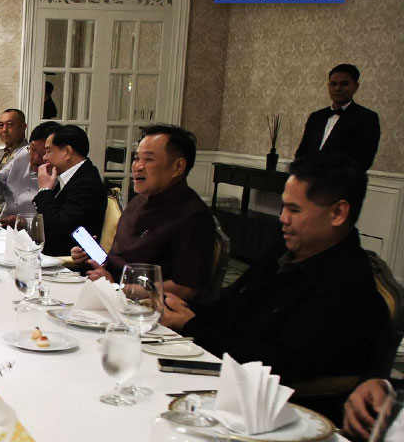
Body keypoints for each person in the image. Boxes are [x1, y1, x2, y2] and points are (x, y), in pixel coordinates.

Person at [161, 153, 389, 383]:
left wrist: (192, 326)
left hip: (271, 395)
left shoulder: (346, 282)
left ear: (338, 213)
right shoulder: (284, 249)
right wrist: (180, 307)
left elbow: (282, 364)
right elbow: (229, 305)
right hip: (227, 370)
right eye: (283, 207)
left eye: (294, 210)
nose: (282, 218)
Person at [70, 125, 215, 300]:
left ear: (178, 167)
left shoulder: (194, 216)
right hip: (109, 294)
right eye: (136, 158)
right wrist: (91, 257)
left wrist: (119, 288)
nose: (137, 166)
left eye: (149, 159)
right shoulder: (139, 200)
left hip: (145, 308)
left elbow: (185, 288)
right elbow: (121, 261)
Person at [32, 124, 105, 256]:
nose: (44, 158)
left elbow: (57, 230)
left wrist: (44, 190)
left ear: (67, 152)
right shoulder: (71, 176)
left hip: (70, 261)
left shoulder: (86, 183)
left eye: (48, 151)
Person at [294, 64, 380, 171]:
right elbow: (301, 153)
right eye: (333, 84)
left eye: (344, 84)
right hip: (309, 179)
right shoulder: (316, 117)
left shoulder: (366, 118)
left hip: (343, 181)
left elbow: (362, 161)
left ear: (355, 87)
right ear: (328, 86)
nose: (337, 88)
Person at [0, 121, 57, 227]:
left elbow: (54, 220)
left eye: (43, 153)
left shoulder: (59, 174)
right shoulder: (23, 154)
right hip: (3, 223)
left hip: (34, 231)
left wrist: (23, 222)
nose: (36, 157)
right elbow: (1, 179)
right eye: (33, 149)